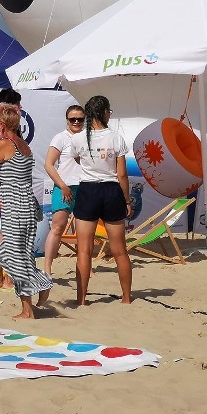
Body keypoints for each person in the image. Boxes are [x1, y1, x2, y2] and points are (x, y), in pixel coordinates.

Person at [0, 103, 52, 318]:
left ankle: (28, 307)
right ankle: (40, 286)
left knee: (10, 254)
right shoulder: (24, 145)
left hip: (15, 205)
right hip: (28, 204)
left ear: (1, 124)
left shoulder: (4, 144)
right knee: (23, 254)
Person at [69, 95, 132, 306]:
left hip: (88, 190)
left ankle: (81, 299)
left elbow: (79, 159)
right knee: (119, 250)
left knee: (84, 250)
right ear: (104, 112)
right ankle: (126, 298)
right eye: (109, 112)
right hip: (111, 189)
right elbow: (122, 174)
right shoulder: (116, 138)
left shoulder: (78, 138)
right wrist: (127, 200)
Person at [42, 105, 85, 276]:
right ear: (67, 120)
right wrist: (63, 185)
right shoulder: (60, 138)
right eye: (72, 119)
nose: (76, 122)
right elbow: (48, 164)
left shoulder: (89, 138)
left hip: (84, 187)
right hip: (64, 186)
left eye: (79, 119)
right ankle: (47, 267)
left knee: (83, 230)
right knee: (58, 227)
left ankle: (83, 266)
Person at [0, 88, 22, 290]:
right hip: (8, 181)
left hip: (4, 180)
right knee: (10, 231)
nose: (20, 108)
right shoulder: (5, 132)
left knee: (7, 230)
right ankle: (5, 278)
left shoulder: (0, 128)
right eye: (18, 104)